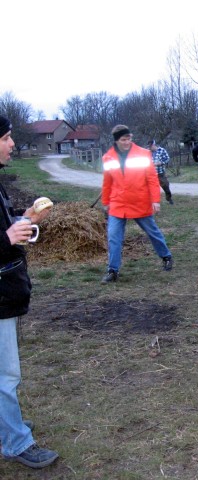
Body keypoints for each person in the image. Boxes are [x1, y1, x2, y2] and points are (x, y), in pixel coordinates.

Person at [0, 115, 59, 469]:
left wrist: (21, 221)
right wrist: (6, 239)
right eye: (6, 138)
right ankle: (15, 441)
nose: (11, 144)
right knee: (6, 376)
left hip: (7, 290)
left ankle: (9, 425)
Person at [101, 125, 173, 283]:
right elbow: (107, 182)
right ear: (117, 140)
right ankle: (113, 270)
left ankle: (166, 256)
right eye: (123, 139)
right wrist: (106, 201)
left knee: (153, 232)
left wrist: (155, 200)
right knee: (113, 237)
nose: (127, 142)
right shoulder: (108, 157)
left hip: (140, 201)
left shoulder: (143, 154)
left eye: (129, 138)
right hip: (118, 204)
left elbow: (152, 179)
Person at [147, 140, 173, 205]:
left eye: (151, 146)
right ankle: (152, 201)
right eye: (149, 147)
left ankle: (169, 198)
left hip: (160, 172)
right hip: (150, 173)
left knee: (166, 185)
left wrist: (161, 163)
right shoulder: (147, 152)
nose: (150, 148)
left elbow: (167, 159)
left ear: (154, 145)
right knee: (150, 188)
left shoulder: (162, 150)